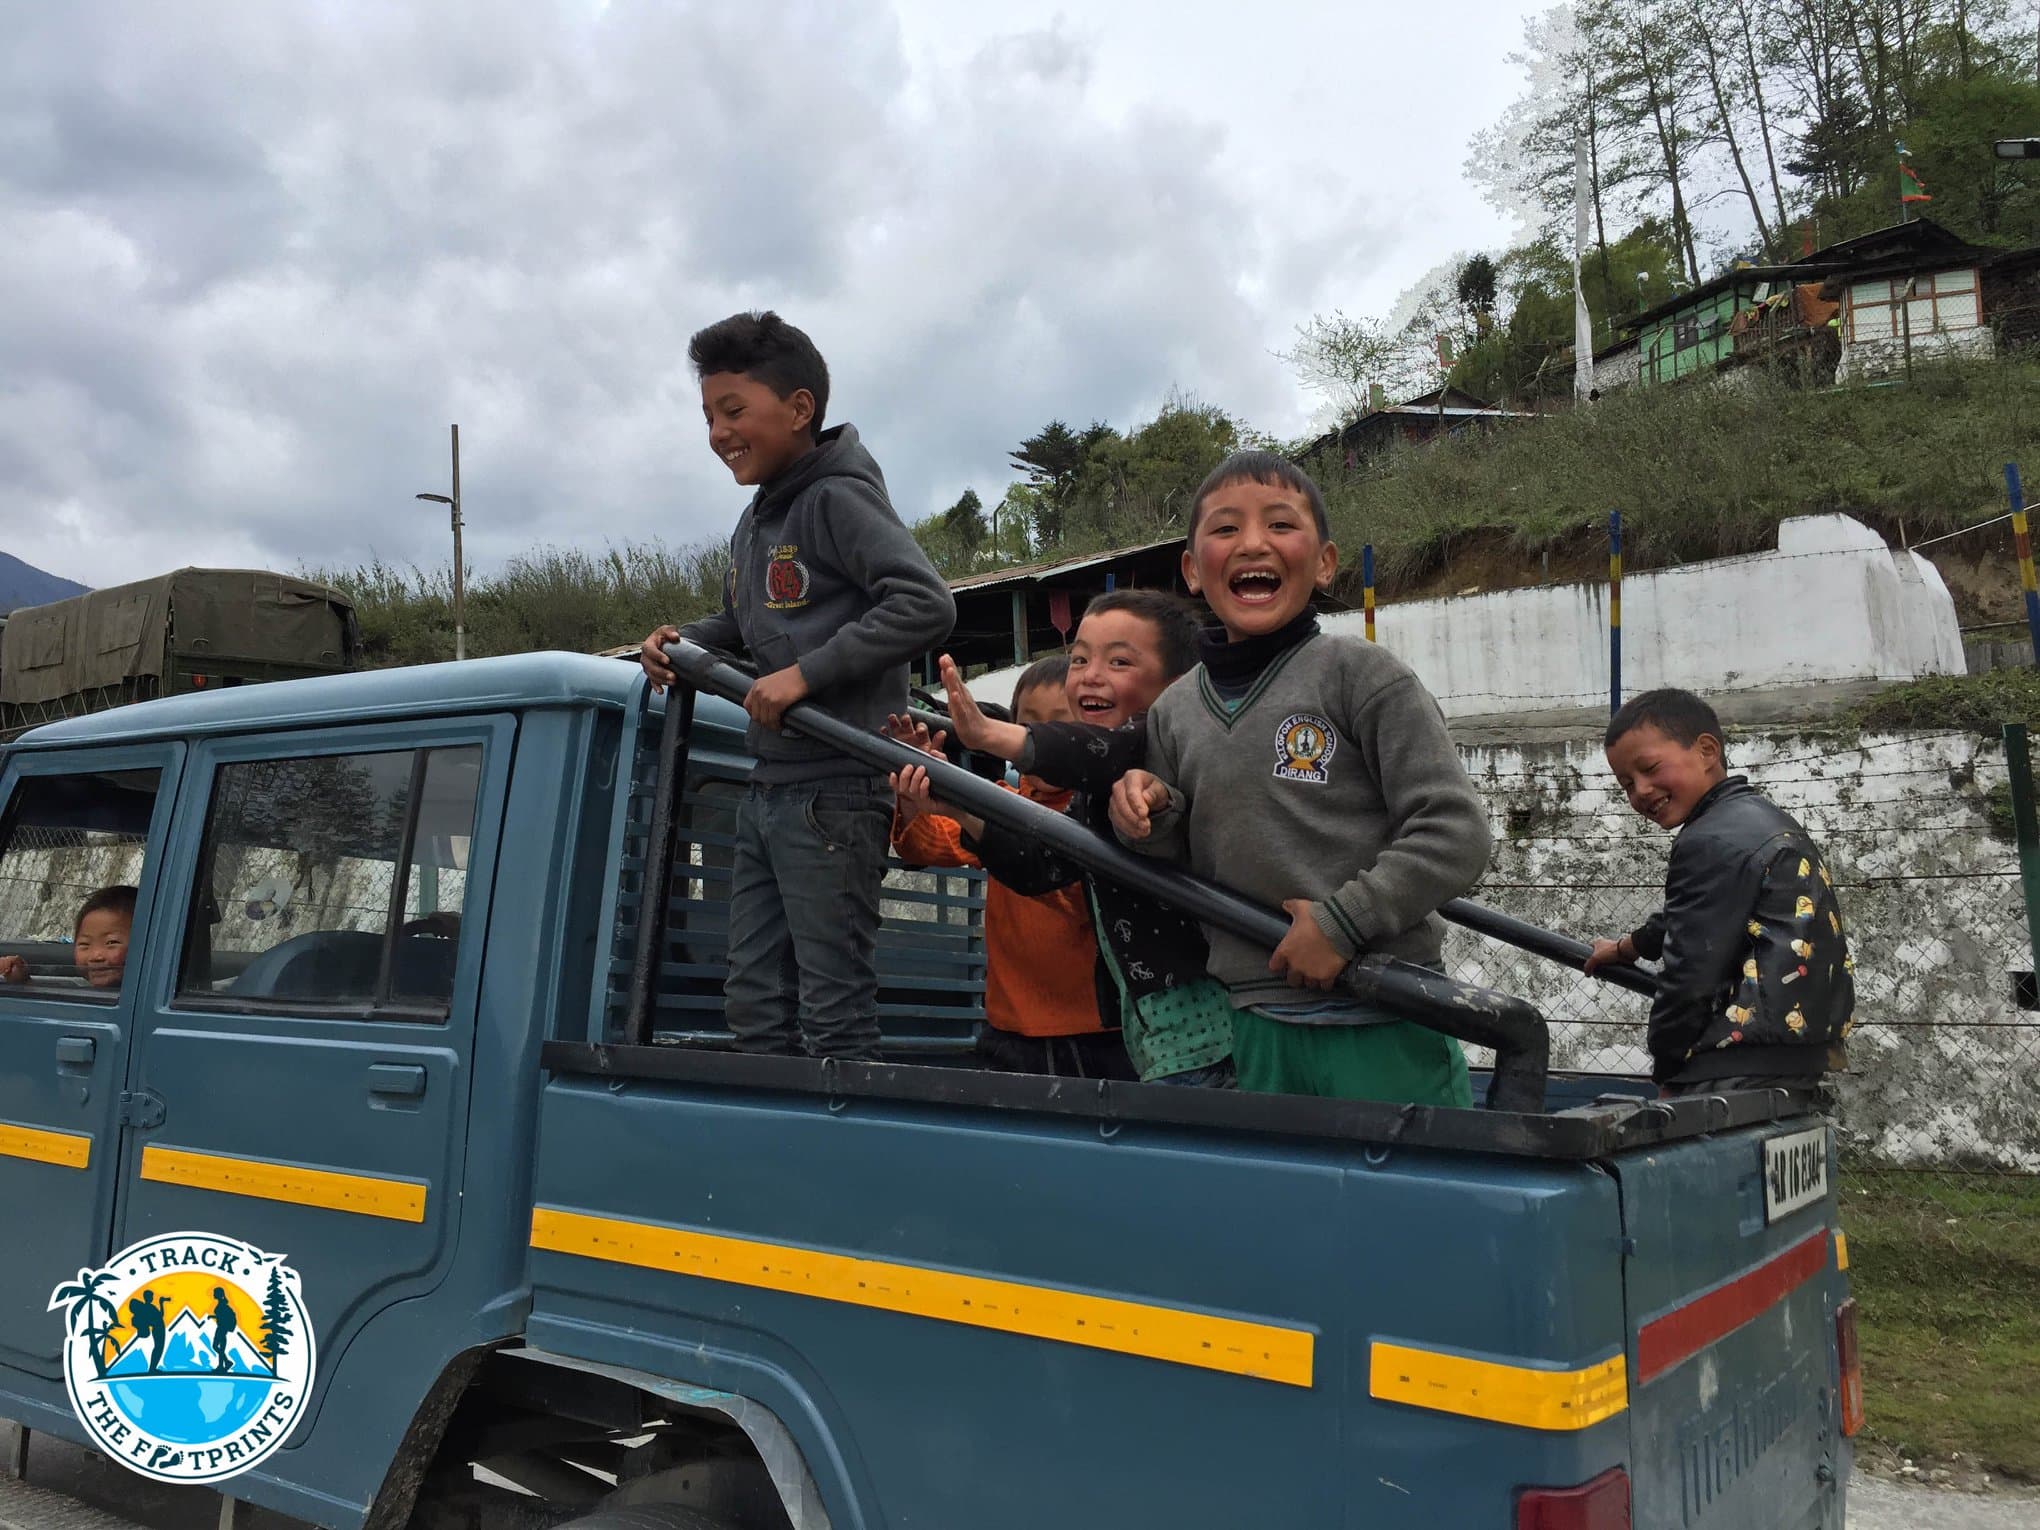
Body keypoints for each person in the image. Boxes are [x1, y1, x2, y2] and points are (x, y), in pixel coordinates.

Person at [1111, 452, 1492, 1106]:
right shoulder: (1174, 710)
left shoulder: (1362, 676)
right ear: (1192, 571)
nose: (1253, 543)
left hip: (1387, 1010)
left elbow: (1456, 833)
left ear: (1323, 563)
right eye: (1225, 529)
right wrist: (1145, 815)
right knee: (1287, 1205)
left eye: (1281, 526)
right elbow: (1179, 852)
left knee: (1414, 1203)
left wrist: (1343, 923)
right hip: (1257, 1023)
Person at [637, 312, 954, 1060]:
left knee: (832, 1006)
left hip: (837, 792)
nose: (718, 432)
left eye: (735, 410)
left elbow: (925, 602)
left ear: (800, 408)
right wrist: (680, 643)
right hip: (769, 789)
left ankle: (842, 1160)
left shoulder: (835, 499)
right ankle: (770, 1158)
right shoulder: (757, 520)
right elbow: (743, 624)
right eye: (709, 415)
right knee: (752, 998)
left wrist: (805, 676)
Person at [928, 590, 1238, 1087]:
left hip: (1213, 1027)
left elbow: (1099, 749)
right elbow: (1040, 863)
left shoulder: (1165, 745)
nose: (1091, 674)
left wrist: (994, 736)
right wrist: (960, 805)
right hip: (1156, 1036)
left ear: (1177, 688)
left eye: (1119, 661)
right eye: (1079, 659)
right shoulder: (1093, 792)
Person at [1583, 688, 1853, 1096]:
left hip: (1734, 1063)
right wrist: (1628, 948)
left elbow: (1690, 974)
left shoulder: (1708, 839)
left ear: (1707, 751)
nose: (1639, 791)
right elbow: (1696, 916)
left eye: (1650, 768)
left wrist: (1668, 1067)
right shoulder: (1765, 821)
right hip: (1800, 1056)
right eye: (1626, 784)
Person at [889, 656, 1133, 1079]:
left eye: (1059, 729)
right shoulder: (999, 801)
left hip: (1100, 1031)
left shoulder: (1103, 812)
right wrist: (915, 799)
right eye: (1028, 726)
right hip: (1009, 1027)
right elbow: (928, 843)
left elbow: (1067, 894)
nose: (1040, 741)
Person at [1, 885, 137, 991]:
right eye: (84, 944)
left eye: (111, 942)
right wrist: (22, 981)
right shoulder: (84, 992)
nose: (95, 956)